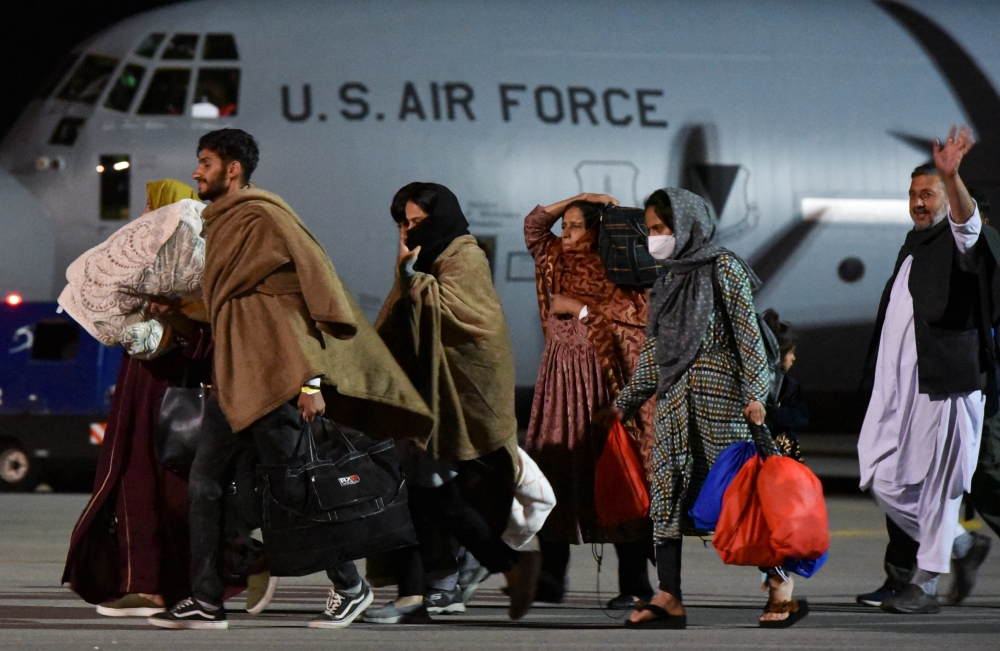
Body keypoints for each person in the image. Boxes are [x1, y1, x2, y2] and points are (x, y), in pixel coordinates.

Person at [149, 129, 433, 630]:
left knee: (299, 485)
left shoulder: (264, 215)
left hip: (276, 378)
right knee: (205, 483)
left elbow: (309, 292)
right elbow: (228, 305)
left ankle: (350, 585)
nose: (197, 172)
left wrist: (311, 383)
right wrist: (176, 311)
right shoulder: (221, 224)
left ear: (233, 168)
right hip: (232, 377)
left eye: (206, 162)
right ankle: (206, 599)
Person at [62, 179, 273, 617]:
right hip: (140, 390)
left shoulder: (201, 275)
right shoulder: (153, 271)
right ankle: (149, 585)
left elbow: (211, 341)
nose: (144, 215)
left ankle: (241, 562)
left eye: (151, 206)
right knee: (134, 484)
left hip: (171, 397)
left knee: (170, 491)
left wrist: (176, 316)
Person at [603, 187, 803, 629]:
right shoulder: (669, 278)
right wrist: (624, 404)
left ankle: (780, 586)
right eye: (651, 229)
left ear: (688, 223)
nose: (655, 238)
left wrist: (756, 394)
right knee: (667, 498)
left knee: (741, 499)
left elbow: (749, 337)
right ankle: (669, 595)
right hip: (675, 405)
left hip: (724, 405)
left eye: (661, 228)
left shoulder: (723, 268)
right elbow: (655, 352)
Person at [369, 182, 541, 623]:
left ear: (440, 217)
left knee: (427, 492)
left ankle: (444, 585)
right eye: (404, 223)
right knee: (424, 493)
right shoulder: (423, 259)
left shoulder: (464, 255)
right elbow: (401, 315)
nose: (409, 231)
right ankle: (434, 588)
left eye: (418, 222)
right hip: (425, 392)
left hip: (455, 396)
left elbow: (471, 320)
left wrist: (412, 280)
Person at [857, 125, 998, 615]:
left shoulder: (960, 241)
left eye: (928, 194)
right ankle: (961, 544)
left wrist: (952, 177)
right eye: (914, 194)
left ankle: (926, 583)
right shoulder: (915, 245)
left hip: (948, 386)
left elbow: (969, 226)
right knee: (878, 474)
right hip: (901, 392)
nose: (919, 203)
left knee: (939, 487)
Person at [523, 193, 655, 608]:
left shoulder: (620, 268)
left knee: (613, 473)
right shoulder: (555, 261)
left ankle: (634, 584)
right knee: (556, 471)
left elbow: (633, 322)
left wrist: (579, 309)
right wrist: (578, 199)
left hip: (602, 386)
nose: (566, 233)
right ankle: (551, 574)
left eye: (576, 225)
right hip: (560, 387)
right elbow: (533, 226)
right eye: (566, 226)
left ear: (598, 230)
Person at [762, 309, 807, 461]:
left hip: (783, 453)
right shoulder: (757, 383)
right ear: (778, 352)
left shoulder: (790, 386)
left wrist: (773, 414)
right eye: (791, 352)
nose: (794, 358)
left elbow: (801, 417)